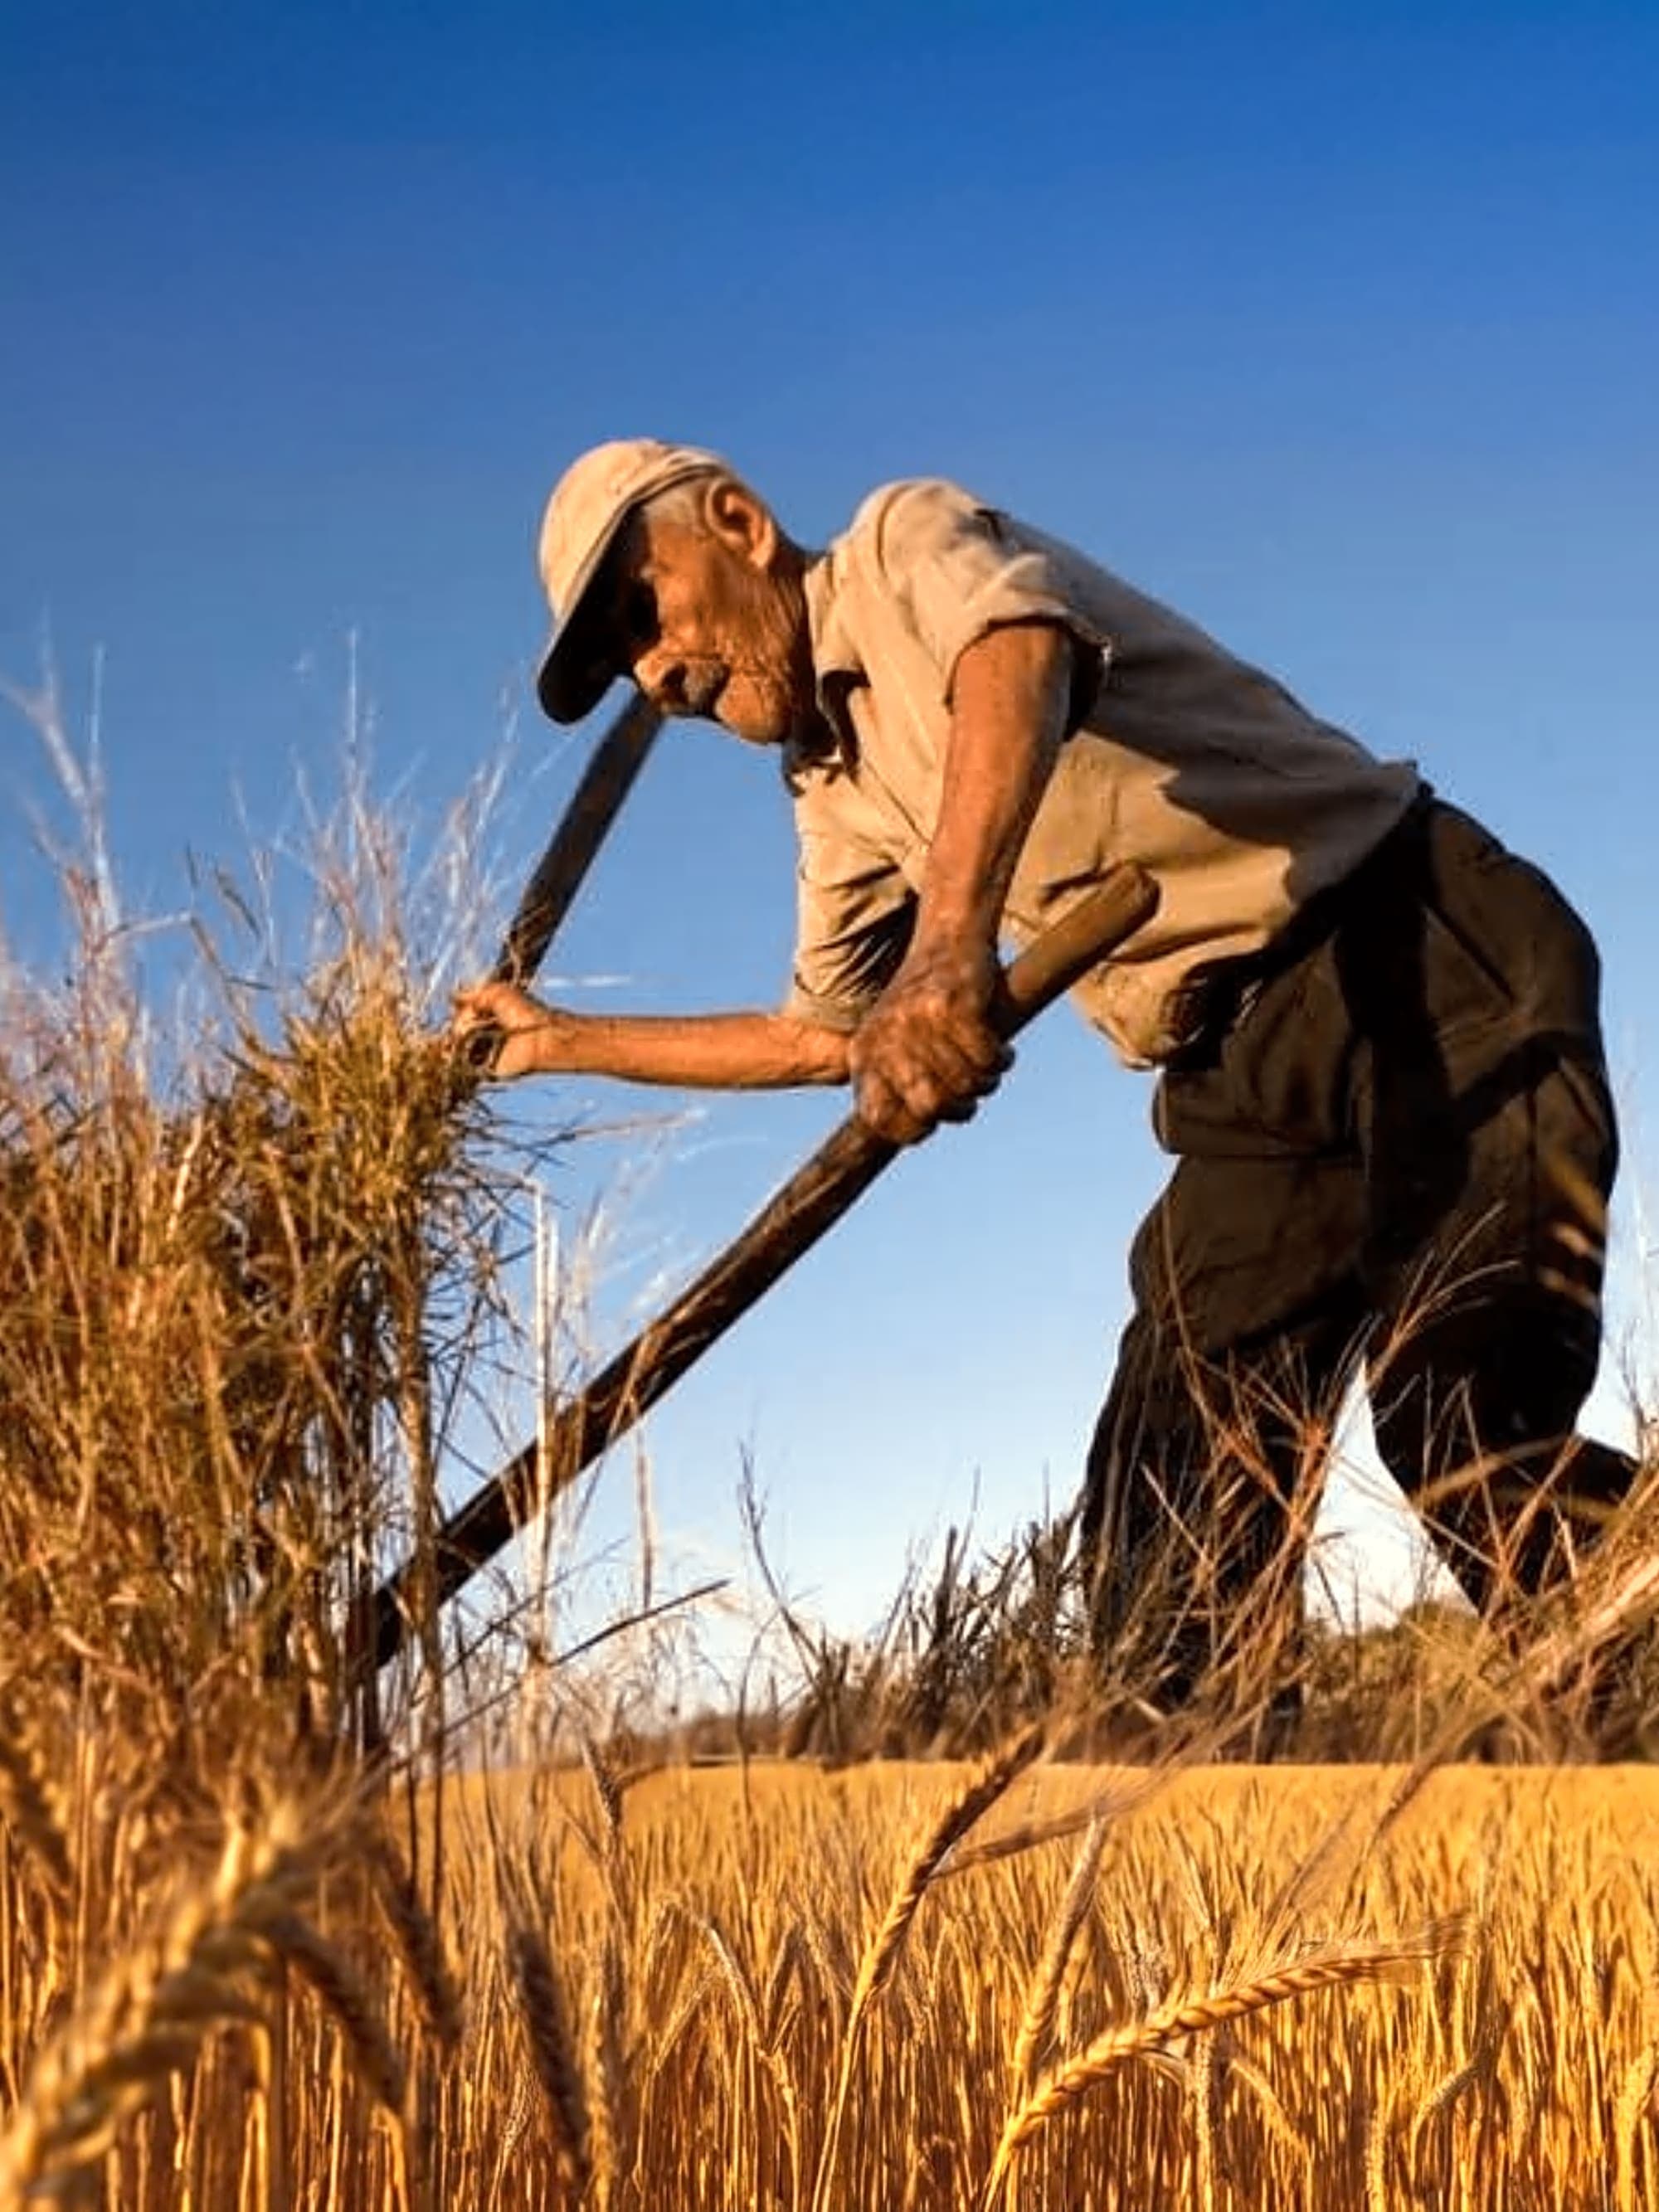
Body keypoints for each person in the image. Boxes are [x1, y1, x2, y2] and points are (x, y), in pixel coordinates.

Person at [456, 436, 1632, 1714]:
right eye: (622, 661)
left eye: (644, 611)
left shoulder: (904, 543)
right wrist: (555, 1038)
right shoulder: (833, 791)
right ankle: (1208, 1845)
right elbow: (826, 1034)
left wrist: (950, 949)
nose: (655, 672)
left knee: (1466, 1416)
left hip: (1417, 948)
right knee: (1162, 1523)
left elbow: (1018, 653)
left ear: (737, 523)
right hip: (1239, 1073)